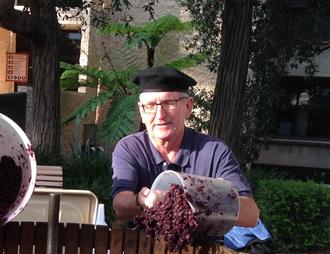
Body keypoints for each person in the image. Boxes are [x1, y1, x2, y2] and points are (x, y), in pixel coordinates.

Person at [111, 66, 260, 227]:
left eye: (169, 103)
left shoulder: (214, 152)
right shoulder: (130, 148)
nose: (160, 115)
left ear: (188, 107)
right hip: (143, 247)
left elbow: (251, 215)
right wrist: (141, 202)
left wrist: (201, 197)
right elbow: (120, 206)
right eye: (151, 106)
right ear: (142, 111)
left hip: (203, 249)